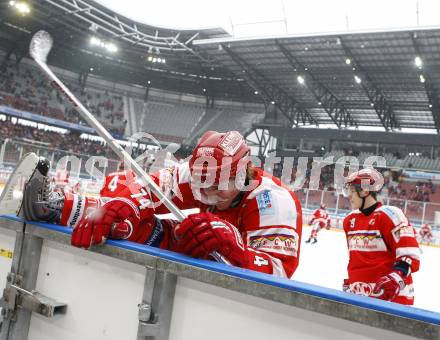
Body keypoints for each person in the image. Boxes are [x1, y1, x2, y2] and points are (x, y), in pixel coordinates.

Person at [19, 131, 303, 278]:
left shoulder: (272, 201)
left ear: (242, 174)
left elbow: (280, 272)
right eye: (201, 186)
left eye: (218, 187)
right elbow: (142, 189)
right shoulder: (200, 172)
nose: (207, 194)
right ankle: (54, 206)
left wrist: (233, 244)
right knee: (126, 220)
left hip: (237, 271)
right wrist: (125, 204)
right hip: (202, 248)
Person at [342, 168, 420, 305]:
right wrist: (352, 280)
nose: (349, 196)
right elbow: (355, 259)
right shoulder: (349, 220)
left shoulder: (391, 215)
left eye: (352, 191)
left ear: (365, 191)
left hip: (393, 298)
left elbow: (409, 255)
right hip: (360, 296)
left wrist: (396, 278)